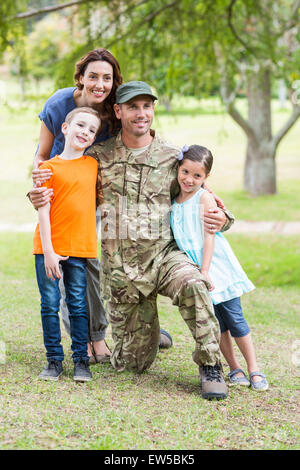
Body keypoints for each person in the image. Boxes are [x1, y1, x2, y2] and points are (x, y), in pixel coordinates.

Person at [29, 49, 172, 358]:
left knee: (103, 264)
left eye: (107, 78)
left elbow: (142, 138)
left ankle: (136, 329)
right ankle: (93, 340)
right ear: (80, 77)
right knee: (70, 269)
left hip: (98, 193)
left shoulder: (113, 110)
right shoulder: (58, 104)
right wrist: (39, 184)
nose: (100, 83)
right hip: (61, 196)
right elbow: (41, 153)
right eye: (93, 76)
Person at [170, 144, 269, 391]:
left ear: (206, 178)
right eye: (185, 172)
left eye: (197, 176)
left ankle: (254, 368)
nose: (189, 179)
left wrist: (205, 271)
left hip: (215, 266)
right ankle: (234, 367)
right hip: (196, 268)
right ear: (178, 169)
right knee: (217, 323)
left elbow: (209, 236)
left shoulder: (204, 197)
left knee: (235, 318)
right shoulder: (174, 200)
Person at [33, 107, 102, 382]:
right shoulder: (48, 168)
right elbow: (42, 211)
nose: (84, 132)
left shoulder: (94, 166)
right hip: (48, 248)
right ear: (65, 128)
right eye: (80, 126)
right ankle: (53, 360)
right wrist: (49, 251)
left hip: (80, 248)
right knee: (50, 304)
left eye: (91, 130)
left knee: (78, 305)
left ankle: (81, 361)